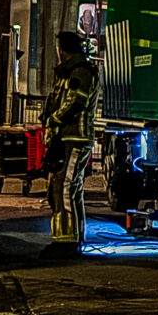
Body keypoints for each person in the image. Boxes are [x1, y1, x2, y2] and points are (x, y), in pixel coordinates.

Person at [41, 30, 100, 254]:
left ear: (63, 50)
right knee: (69, 187)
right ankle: (71, 236)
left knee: (63, 186)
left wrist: (54, 119)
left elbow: (76, 101)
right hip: (66, 137)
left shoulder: (80, 72)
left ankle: (66, 242)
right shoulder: (70, 72)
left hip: (75, 137)